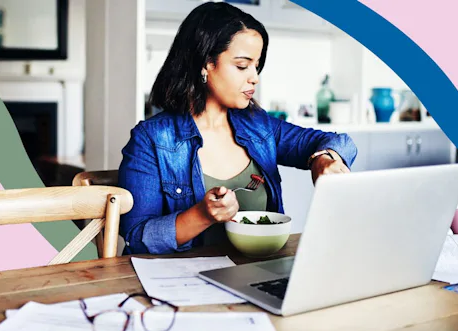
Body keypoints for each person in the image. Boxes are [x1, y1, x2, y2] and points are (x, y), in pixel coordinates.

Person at [118, 2, 357, 255]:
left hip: (259, 273)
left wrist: (323, 158)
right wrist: (203, 214)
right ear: (205, 63)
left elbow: (337, 141)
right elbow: (137, 237)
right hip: (182, 285)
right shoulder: (152, 139)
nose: (254, 77)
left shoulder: (259, 126)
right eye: (242, 66)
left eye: (257, 65)